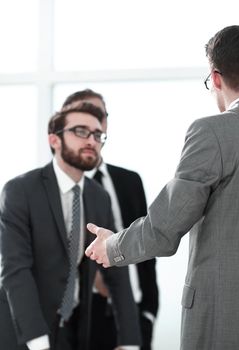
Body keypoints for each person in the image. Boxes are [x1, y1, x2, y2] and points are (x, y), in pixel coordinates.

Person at [85, 25, 239, 349]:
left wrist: (112, 247)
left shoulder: (211, 132)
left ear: (216, 78)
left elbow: (165, 228)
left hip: (216, 321)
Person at [0, 102, 141, 350]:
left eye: (98, 134)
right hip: (21, 330)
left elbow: (116, 272)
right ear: (54, 140)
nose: (92, 140)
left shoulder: (99, 197)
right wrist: (37, 341)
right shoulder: (20, 190)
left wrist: (130, 342)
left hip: (72, 330)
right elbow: (15, 269)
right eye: (80, 131)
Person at [62, 89, 159, 350]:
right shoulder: (51, 188)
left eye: (99, 117)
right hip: (76, 323)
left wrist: (148, 313)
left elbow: (148, 246)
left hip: (134, 318)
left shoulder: (129, 181)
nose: (93, 126)